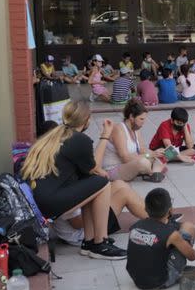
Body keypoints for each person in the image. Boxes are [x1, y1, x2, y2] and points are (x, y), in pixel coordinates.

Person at [19, 100, 126, 259]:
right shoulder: (79, 139)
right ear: (86, 120)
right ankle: (100, 244)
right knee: (102, 184)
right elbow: (95, 168)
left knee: (91, 185)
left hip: (37, 200)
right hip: (48, 202)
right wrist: (105, 135)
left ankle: (89, 242)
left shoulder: (52, 136)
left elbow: (87, 176)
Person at [126, 188, 195, 290]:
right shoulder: (171, 234)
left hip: (136, 278)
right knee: (188, 226)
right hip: (159, 281)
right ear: (170, 210)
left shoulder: (134, 227)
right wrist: (179, 241)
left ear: (145, 209)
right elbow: (192, 256)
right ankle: (176, 273)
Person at [103, 100, 167, 182]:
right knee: (143, 163)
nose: (144, 122)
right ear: (131, 117)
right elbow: (125, 158)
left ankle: (153, 173)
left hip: (130, 163)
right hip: (114, 168)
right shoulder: (119, 129)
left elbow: (142, 149)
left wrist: (157, 153)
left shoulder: (135, 128)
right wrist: (151, 155)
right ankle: (153, 172)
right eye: (141, 119)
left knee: (161, 158)